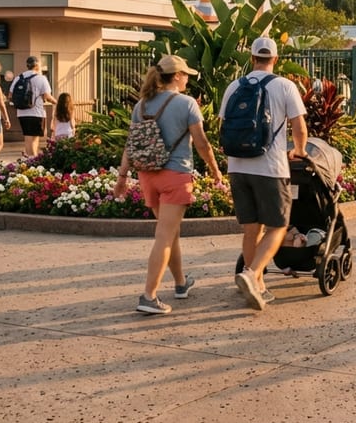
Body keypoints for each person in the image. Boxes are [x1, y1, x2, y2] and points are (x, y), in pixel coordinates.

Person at [114, 55, 222, 316]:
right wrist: (216, 170)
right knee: (164, 236)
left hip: (147, 176)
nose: (187, 78)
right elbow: (201, 143)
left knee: (169, 233)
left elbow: (132, 143)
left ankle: (181, 283)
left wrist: (122, 177)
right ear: (176, 76)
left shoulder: (141, 105)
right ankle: (148, 296)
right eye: (185, 74)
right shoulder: (186, 104)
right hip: (175, 176)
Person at [222, 37, 308, 311]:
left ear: (252, 58)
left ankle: (258, 286)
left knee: (251, 229)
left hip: (237, 167)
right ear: (275, 58)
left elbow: (224, 125)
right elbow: (299, 127)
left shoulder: (234, 86)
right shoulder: (284, 85)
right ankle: (251, 273)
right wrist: (300, 150)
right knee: (278, 227)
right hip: (269, 168)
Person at [11, 56, 54, 158]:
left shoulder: (18, 78)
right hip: (36, 112)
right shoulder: (41, 78)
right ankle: (33, 158)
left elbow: (10, 95)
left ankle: (29, 157)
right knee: (34, 138)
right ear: (37, 65)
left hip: (21, 112)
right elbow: (47, 96)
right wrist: (57, 102)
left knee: (27, 136)